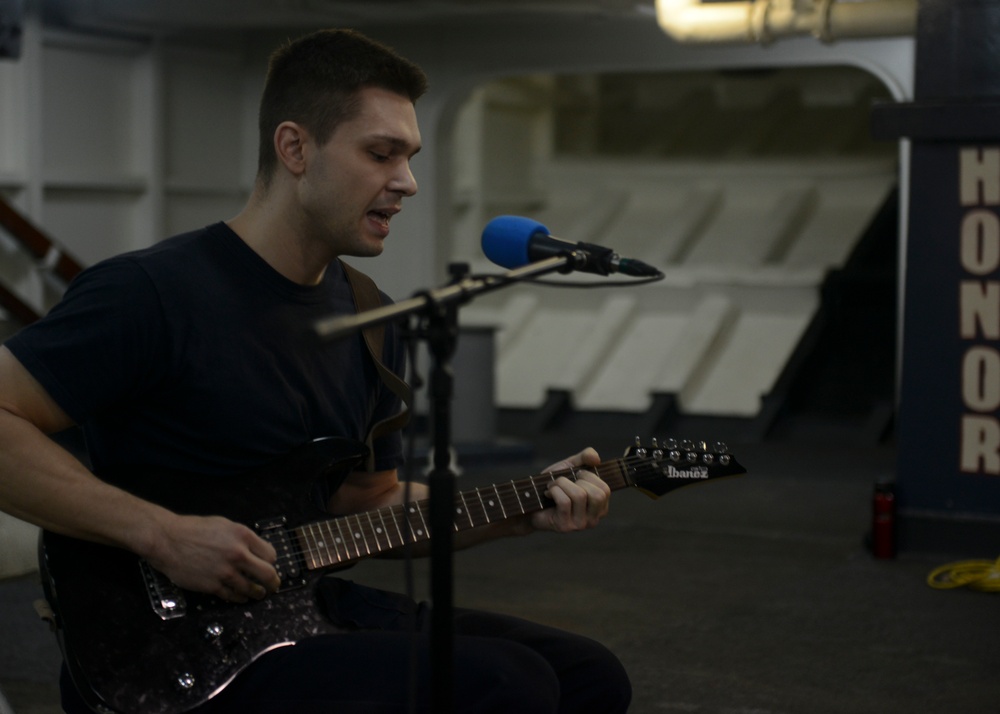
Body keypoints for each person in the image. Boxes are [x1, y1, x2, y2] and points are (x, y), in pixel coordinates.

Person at [0, 28, 632, 714]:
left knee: (589, 676)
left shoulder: (372, 321)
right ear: (295, 148)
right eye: (381, 153)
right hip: (166, 649)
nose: (408, 183)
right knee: (507, 683)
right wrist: (161, 534)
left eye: (410, 157)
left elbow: (366, 503)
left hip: (297, 604)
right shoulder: (150, 293)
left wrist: (521, 510)